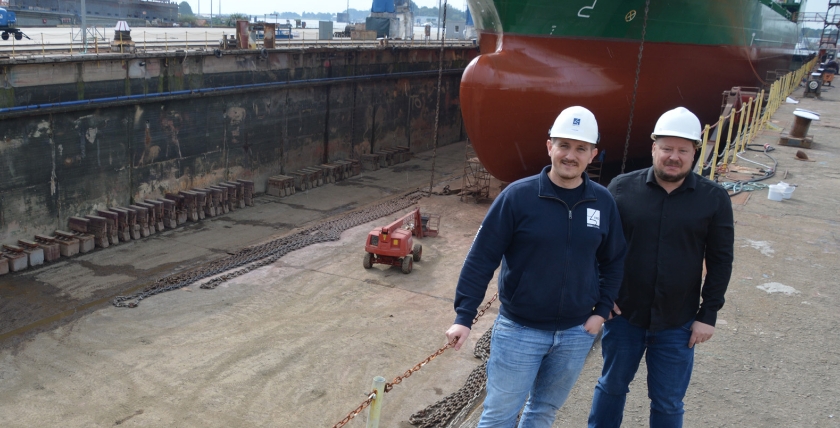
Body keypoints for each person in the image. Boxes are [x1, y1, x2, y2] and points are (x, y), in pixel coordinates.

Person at [445, 106, 627, 427]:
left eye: (581, 148)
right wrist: (464, 316)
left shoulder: (602, 202)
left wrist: (599, 312)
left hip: (575, 333)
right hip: (519, 331)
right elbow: (481, 259)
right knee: (499, 415)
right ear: (549, 147)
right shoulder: (517, 198)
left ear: (593, 154)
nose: (571, 155)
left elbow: (613, 260)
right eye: (564, 146)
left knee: (542, 412)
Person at [588, 107, 735, 428]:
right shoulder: (622, 189)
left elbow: (722, 259)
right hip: (624, 316)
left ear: (694, 153)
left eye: (682, 150)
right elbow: (598, 246)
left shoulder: (714, 199)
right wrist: (601, 293)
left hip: (678, 322)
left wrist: (707, 315)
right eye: (666, 148)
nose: (674, 156)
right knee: (611, 386)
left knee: (668, 401)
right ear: (653, 148)